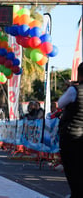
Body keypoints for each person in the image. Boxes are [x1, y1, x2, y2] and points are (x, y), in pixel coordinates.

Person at [58, 62, 83, 198]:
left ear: (79, 74)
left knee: (72, 168)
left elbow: (61, 103)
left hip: (72, 134)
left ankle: (76, 194)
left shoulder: (75, 90)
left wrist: (71, 87)